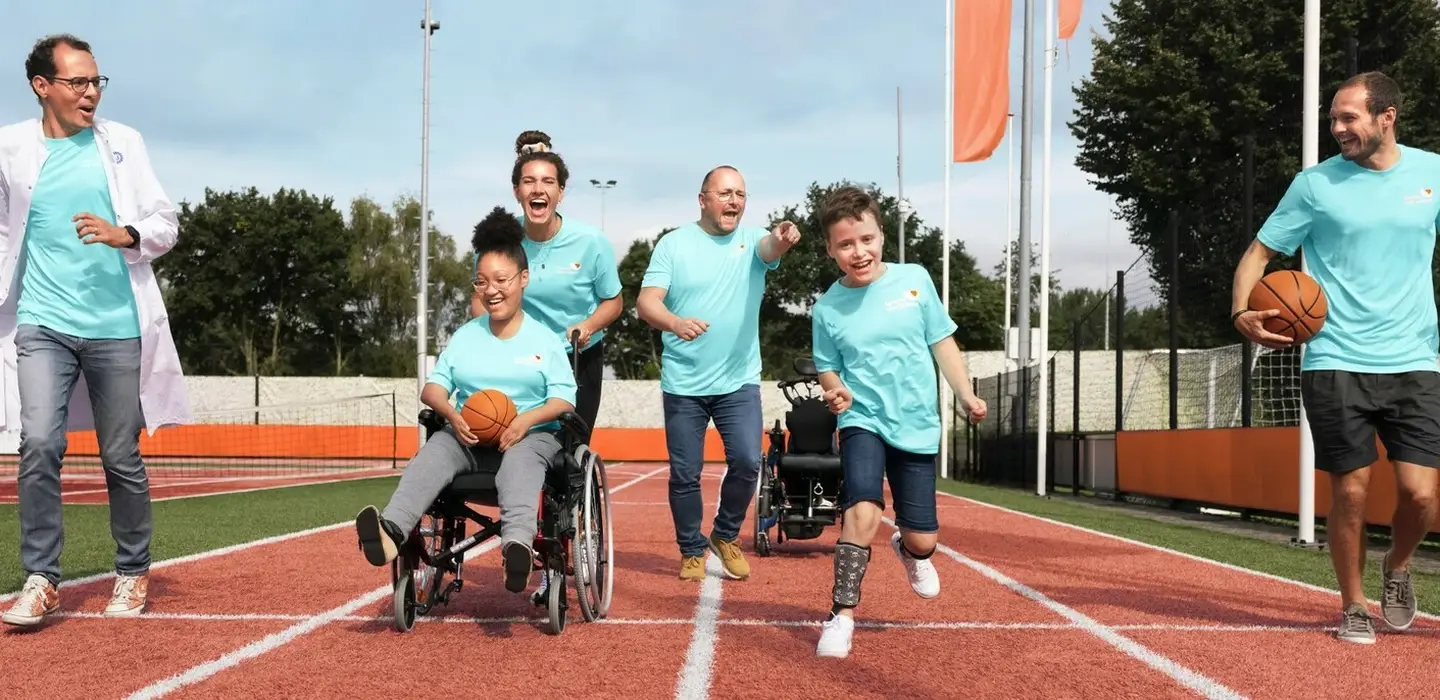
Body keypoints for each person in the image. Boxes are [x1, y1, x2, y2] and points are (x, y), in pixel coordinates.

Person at [1230, 71, 1440, 645]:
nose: (1338, 128)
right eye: (1333, 119)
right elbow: (1259, 254)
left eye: (1349, 117)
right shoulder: (1315, 185)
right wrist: (1241, 311)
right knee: (1350, 491)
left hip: (1415, 358)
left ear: (1387, 117)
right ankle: (1353, 605)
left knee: (1422, 495)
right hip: (1334, 358)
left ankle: (1397, 566)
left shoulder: (1432, 173)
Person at [0, 34, 191, 627]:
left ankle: (132, 571)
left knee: (119, 454)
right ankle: (41, 579)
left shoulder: (123, 143)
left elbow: (166, 222)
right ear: (42, 86)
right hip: (41, 320)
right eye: (78, 82)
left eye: (96, 81)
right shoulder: (9, 148)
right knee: (38, 443)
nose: (91, 93)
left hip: (116, 326)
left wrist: (124, 234)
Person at [356, 206, 578, 595]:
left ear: (523, 279)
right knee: (434, 452)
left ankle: (517, 546)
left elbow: (564, 399)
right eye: (482, 282)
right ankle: (391, 531)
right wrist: (450, 414)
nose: (491, 290)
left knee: (520, 463)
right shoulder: (465, 336)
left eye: (501, 280)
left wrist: (525, 422)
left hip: (529, 436)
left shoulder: (545, 339)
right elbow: (433, 390)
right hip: (468, 436)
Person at [804, 186, 986, 658]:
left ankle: (909, 551)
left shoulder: (915, 280)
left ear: (882, 235)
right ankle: (841, 616)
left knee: (924, 539)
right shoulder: (826, 308)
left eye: (866, 239)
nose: (858, 252)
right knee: (862, 512)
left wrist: (965, 393)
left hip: (916, 421)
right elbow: (827, 367)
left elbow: (942, 342)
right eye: (846, 244)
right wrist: (835, 389)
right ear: (830, 249)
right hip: (862, 419)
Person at [636, 165, 801, 581]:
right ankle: (691, 549)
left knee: (746, 461)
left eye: (741, 194)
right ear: (703, 199)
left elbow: (770, 247)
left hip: (738, 380)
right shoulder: (673, 245)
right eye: (725, 193)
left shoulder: (752, 241)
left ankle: (725, 535)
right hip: (684, 382)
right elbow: (646, 303)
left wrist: (782, 239)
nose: (734, 201)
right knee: (685, 474)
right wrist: (674, 323)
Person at [470, 148, 622, 441]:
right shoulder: (497, 239)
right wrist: (493, 334)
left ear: (560, 192)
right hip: (519, 355)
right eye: (529, 181)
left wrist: (588, 325)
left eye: (548, 181)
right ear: (516, 191)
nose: (538, 189)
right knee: (511, 438)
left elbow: (614, 301)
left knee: (570, 447)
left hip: (577, 355)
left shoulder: (591, 241)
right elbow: (479, 299)